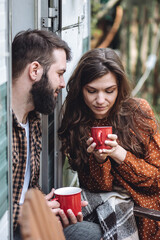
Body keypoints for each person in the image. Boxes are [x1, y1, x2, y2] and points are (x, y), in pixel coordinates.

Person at [58, 48, 160, 240]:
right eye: (91, 91)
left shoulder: (138, 114)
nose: (100, 100)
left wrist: (120, 154)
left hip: (149, 215)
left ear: (119, 88)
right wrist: (99, 159)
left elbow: (157, 181)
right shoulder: (77, 123)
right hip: (109, 216)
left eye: (109, 91)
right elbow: (98, 190)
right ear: (81, 89)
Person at [12, 29, 102, 240]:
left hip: (30, 224)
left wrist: (51, 206)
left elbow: (28, 189)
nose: (62, 84)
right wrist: (28, 212)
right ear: (35, 70)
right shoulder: (4, 128)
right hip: (12, 230)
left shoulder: (33, 120)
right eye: (59, 74)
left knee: (90, 231)